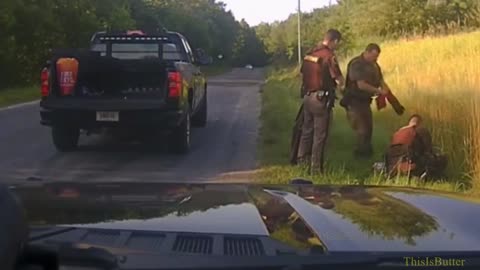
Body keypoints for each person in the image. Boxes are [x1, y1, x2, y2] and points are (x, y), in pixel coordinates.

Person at [296, 29, 345, 174]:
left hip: (307, 97)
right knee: (320, 135)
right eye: (337, 43)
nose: (336, 46)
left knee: (306, 131)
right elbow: (338, 78)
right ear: (334, 41)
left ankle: (302, 162)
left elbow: (302, 74)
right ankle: (316, 169)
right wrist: (343, 89)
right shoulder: (328, 56)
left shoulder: (310, 54)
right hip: (321, 100)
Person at [341, 43, 392, 158]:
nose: (375, 59)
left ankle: (367, 154)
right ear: (367, 52)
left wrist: (386, 89)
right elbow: (361, 85)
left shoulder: (374, 65)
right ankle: (360, 156)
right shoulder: (356, 64)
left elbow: (380, 80)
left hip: (365, 101)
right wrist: (379, 91)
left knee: (368, 128)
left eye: (377, 57)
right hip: (354, 101)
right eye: (374, 56)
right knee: (362, 129)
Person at [385, 114, 448, 179]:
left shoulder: (398, 132)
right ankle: (429, 176)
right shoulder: (421, 130)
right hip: (410, 164)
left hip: (392, 166)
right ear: (420, 123)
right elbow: (429, 151)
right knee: (442, 159)